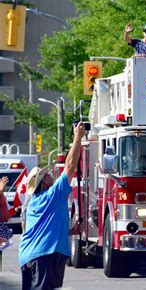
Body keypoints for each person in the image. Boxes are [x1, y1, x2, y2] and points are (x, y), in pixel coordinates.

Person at [19, 122, 85, 290]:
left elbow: (38, 228)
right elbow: (70, 166)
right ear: (43, 183)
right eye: (46, 175)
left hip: (28, 256)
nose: (50, 176)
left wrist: (69, 230)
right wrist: (78, 136)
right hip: (44, 255)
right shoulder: (53, 195)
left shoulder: (33, 202)